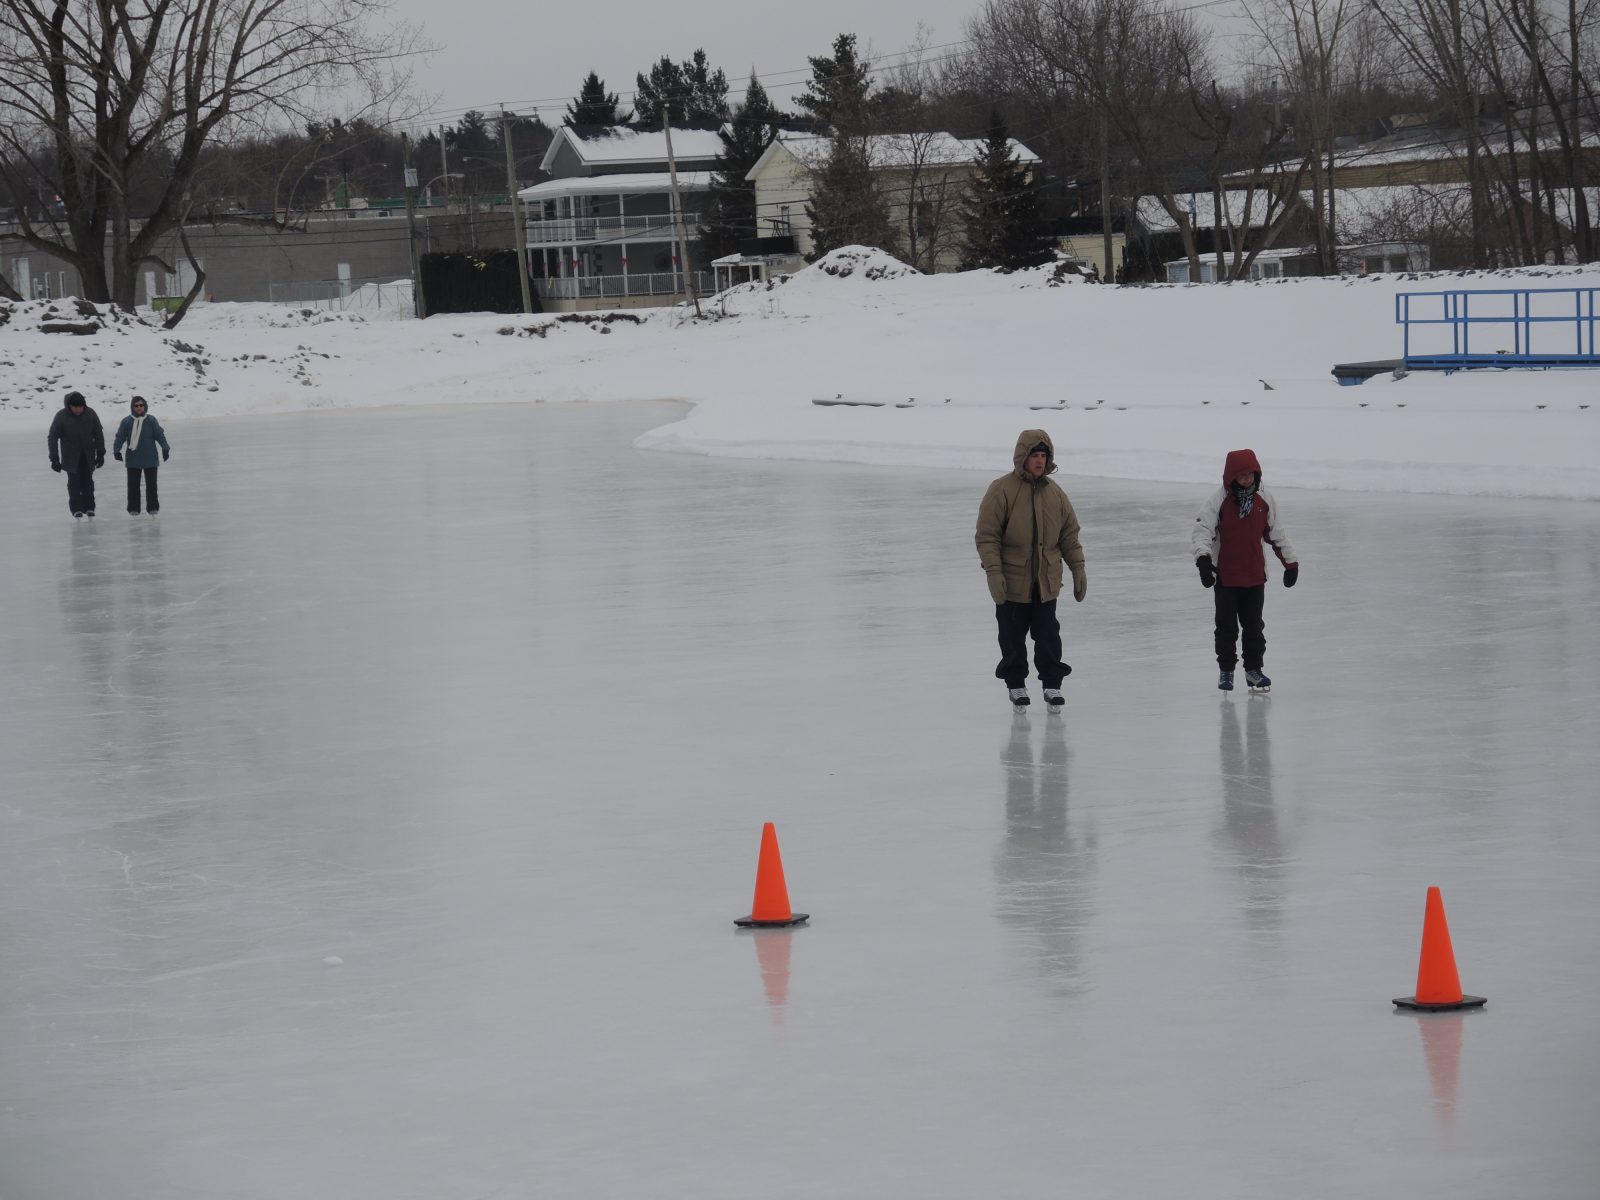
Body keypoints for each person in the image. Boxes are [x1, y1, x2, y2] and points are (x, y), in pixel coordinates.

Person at [976, 429, 1087, 709]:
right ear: (1022, 458)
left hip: (1046, 583)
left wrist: (1078, 568)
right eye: (1034, 456)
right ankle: (1016, 685)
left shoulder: (1056, 494)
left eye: (1043, 456)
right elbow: (987, 536)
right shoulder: (1001, 489)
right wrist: (994, 572)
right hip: (1012, 583)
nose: (1039, 461)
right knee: (1012, 639)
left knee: (1048, 636)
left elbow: (1069, 536)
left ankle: (1052, 685)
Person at [1191, 449, 1299, 693]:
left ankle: (1253, 670)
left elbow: (1277, 533)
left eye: (1251, 475)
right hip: (1227, 579)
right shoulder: (1218, 501)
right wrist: (1204, 561)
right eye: (1242, 476)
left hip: (1254, 578)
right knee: (1226, 627)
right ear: (1231, 477)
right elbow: (1201, 532)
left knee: (1254, 627)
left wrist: (1291, 563)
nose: (1248, 480)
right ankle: (1226, 670)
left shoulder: (1264, 500)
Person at [47, 391, 106, 518]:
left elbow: (98, 433)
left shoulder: (90, 413)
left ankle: (90, 507)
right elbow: (52, 436)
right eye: (75, 407)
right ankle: (76, 509)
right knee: (74, 483)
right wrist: (54, 459)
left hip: (88, 455)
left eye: (81, 407)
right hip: (71, 457)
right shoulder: (61, 416)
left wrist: (100, 453)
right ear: (70, 406)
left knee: (88, 483)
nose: (78, 410)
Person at [112, 395, 171, 514]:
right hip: (133, 459)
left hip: (150, 458)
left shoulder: (151, 420)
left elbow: (159, 435)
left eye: (141, 405)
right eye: (136, 405)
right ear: (132, 407)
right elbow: (120, 437)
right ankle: (133, 508)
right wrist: (116, 450)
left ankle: (153, 507)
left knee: (152, 486)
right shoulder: (127, 421)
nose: (139, 407)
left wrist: (165, 448)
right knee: (133, 486)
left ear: (145, 406)